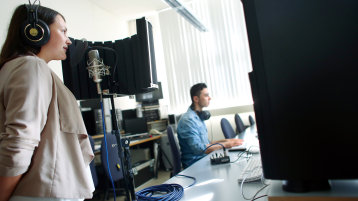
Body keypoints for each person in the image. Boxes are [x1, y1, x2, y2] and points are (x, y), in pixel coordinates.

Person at [0, 3, 94, 201]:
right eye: (63, 31)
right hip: (41, 193)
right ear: (36, 32)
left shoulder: (19, 67)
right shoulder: (30, 66)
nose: (68, 40)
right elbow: (20, 140)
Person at [177, 83, 243, 168]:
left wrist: (227, 141)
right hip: (195, 165)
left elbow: (207, 144)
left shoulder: (198, 117)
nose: (209, 98)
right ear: (196, 99)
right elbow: (200, 149)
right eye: (206, 95)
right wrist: (227, 145)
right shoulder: (188, 120)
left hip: (203, 159)